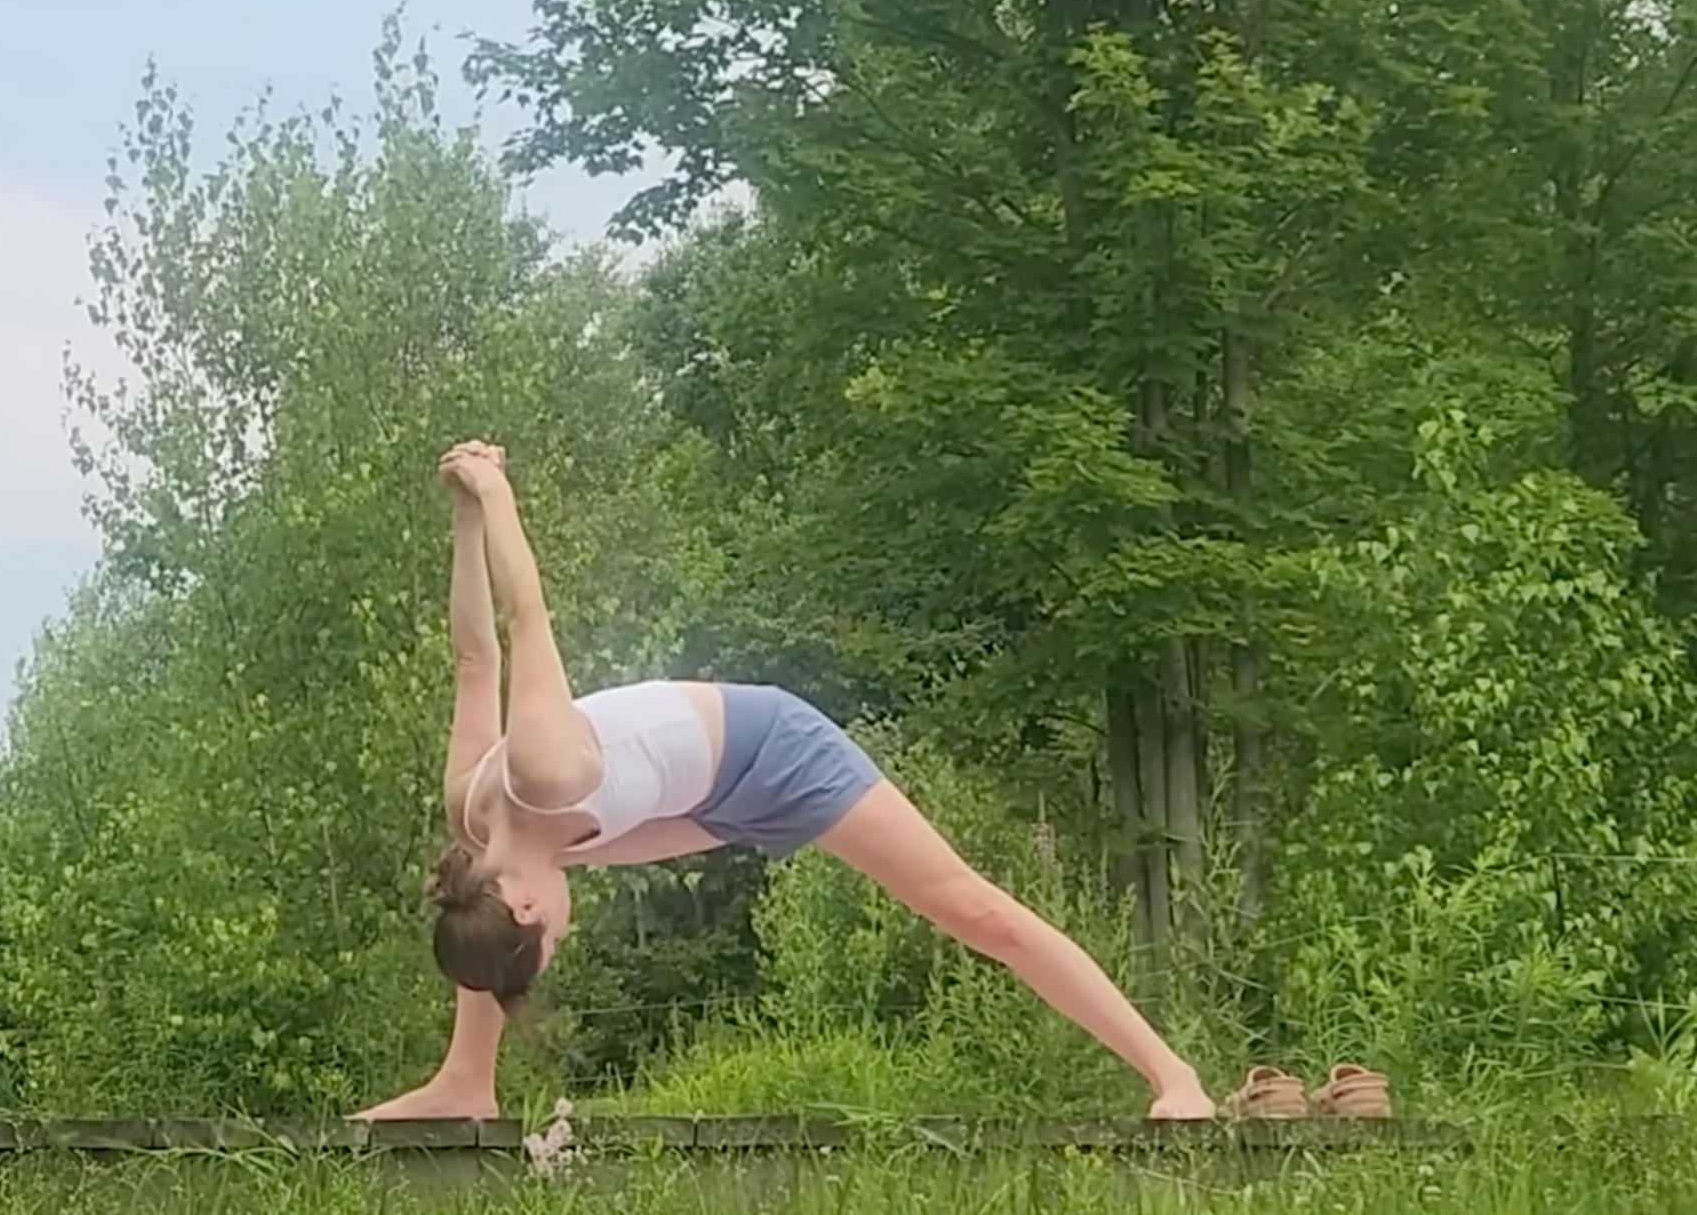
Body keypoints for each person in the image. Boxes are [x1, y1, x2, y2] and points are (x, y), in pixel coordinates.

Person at [351, 439, 1217, 1123]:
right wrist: (462, 522)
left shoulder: (543, 768)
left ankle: (1172, 1074)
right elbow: (472, 662)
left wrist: (495, 492)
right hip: (692, 804)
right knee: (481, 896)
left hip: (771, 752)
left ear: (532, 910)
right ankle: (467, 1082)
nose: (565, 940)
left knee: (969, 906)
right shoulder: (473, 817)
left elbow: (522, 619)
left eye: (552, 946)